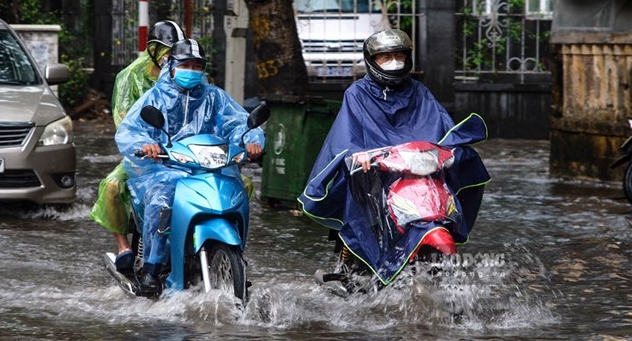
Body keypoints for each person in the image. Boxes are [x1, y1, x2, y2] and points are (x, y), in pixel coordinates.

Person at [298, 28, 490, 281]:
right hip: (374, 170)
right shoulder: (357, 93)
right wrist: (358, 154)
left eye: (398, 55)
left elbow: (441, 127)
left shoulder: (420, 92)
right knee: (354, 195)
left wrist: (453, 147)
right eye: (384, 57)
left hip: (414, 167)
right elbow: (347, 132)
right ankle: (353, 262)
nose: (393, 61)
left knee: (455, 177)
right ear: (371, 61)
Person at [115, 38, 265, 295]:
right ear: (171, 66)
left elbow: (238, 123)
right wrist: (147, 144)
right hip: (165, 168)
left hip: (209, 166)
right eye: (186, 65)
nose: (192, 71)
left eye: (198, 66)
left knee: (236, 193)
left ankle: (234, 258)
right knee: (163, 201)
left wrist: (251, 140)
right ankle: (152, 268)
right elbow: (130, 131)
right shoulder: (155, 97)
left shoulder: (215, 97)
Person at [89, 20, 185, 273]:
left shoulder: (185, 73)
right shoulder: (129, 76)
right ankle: (124, 247)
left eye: (173, 51)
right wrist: (145, 144)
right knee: (112, 186)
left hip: (187, 154)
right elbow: (124, 122)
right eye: (165, 50)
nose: (169, 56)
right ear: (152, 49)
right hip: (145, 155)